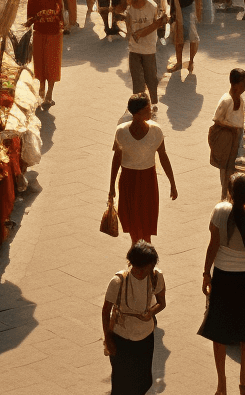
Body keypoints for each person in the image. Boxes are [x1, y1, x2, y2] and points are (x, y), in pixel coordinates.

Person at [199, 174, 245, 395]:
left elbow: (213, 244)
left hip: (223, 274)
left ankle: (221, 384)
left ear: (230, 193)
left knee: (219, 330)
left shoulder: (219, 211)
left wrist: (206, 273)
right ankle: (244, 379)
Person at [109, 94, 177, 243]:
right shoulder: (121, 132)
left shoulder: (156, 131)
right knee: (133, 223)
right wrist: (112, 186)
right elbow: (116, 159)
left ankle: (142, 255)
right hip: (128, 181)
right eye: (148, 109)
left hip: (148, 180)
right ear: (138, 114)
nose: (151, 111)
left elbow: (163, 156)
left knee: (147, 222)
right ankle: (140, 254)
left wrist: (172, 183)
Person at [102, 240, 166, 395]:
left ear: (151, 265)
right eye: (137, 269)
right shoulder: (118, 281)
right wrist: (108, 339)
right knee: (121, 382)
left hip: (145, 337)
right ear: (130, 263)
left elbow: (161, 303)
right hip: (121, 337)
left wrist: (150, 313)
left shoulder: (156, 277)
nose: (140, 273)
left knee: (142, 381)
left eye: (145, 269)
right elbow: (106, 311)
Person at [24, 0, 63, 107]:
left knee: (41, 64)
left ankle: (41, 92)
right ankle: (48, 96)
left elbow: (29, 19)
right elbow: (61, 18)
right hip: (54, 35)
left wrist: (38, 18)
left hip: (39, 34)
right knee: (52, 64)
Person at [124, 0, 168, 108]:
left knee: (151, 78)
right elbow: (132, 32)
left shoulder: (152, 6)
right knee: (137, 79)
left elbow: (161, 21)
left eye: (136, 0)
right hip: (134, 49)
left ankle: (153, 103)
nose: (133, 3)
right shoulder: (129, 9)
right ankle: (139, 106)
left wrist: (160, 22)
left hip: (149, 49)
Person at [212, 69, 245, 198]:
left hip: (236, 140)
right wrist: (233, 128)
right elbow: (217, 119)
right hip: (227, 141)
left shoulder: (239, 98)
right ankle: (225, 197)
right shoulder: (226, 100)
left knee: (233, 169)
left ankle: (232, 195)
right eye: (243, 83)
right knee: (226, 171)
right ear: (235, 84)